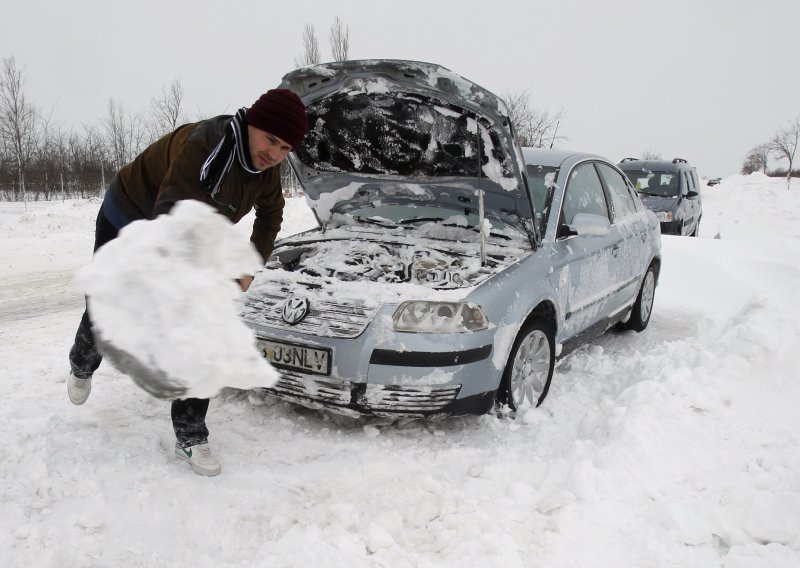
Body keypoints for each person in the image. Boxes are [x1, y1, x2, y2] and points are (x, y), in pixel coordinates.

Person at [67, 88, 308, 477]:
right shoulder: (204, 146)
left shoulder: (266, 167)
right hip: (131, 212)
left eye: (284, 148)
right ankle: (82, 362)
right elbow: (171, 216)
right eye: (270, 140)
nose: (274, 153)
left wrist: (250, 264)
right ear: (251, 124)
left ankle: (191, 435)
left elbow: (271, 215)